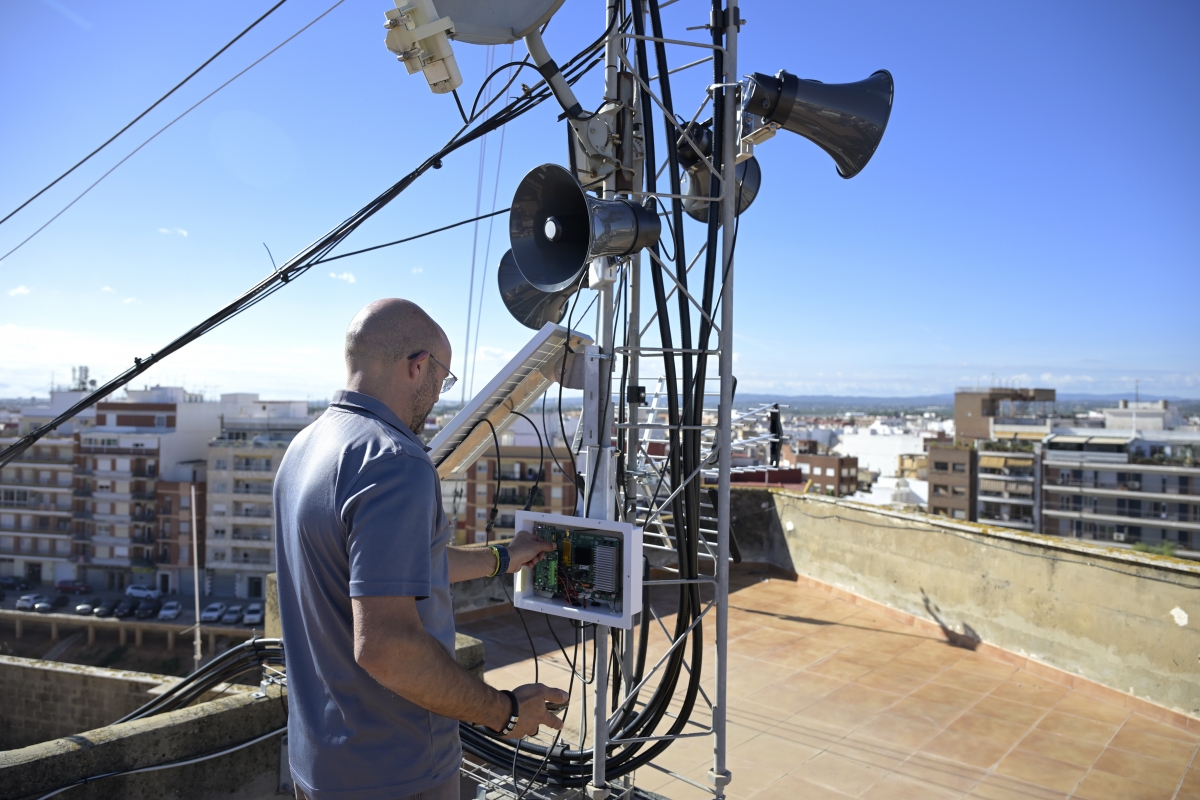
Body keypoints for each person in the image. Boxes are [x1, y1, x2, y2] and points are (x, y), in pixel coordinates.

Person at [275, 298, 569, 800]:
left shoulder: (306, 447)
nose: (438, 395)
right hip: (394, 771)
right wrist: (505, 711)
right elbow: (386, 647)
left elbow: (389, 567)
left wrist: (502, 558)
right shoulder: (395, 461)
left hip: (318, 762)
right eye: (443, 380)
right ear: (418, 366)